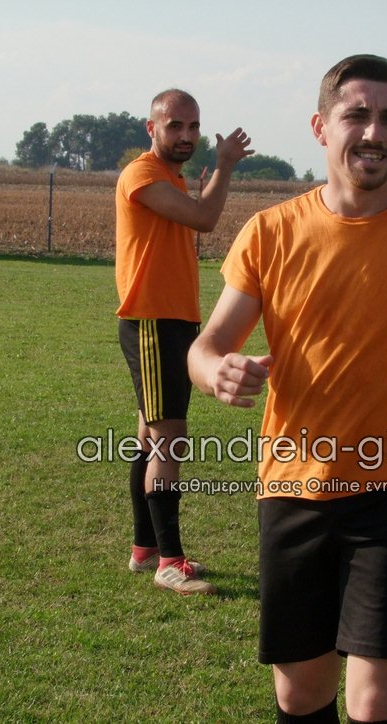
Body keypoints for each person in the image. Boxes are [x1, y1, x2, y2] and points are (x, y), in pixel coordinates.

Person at [188, 55, 387, 723]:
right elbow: (205, 346)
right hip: (292, 489)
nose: (373, 132)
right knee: (301, 693)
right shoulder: (270, 232)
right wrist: (216, 371)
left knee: (378, 700)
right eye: (356, 115)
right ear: (321, 127)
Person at [115, 88, 253, 595]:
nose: (186, 135)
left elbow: (195, 214)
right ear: (151, 128)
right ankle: (170, 563)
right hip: (153, 322)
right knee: (168, 439)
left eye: (193, 126)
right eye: (175, 125)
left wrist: (212, 176)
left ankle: (145, 549)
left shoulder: (169, 177)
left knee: (150, 438)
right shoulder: (143, 174)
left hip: (172, 321)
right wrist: (226, 167)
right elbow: (205, 218)